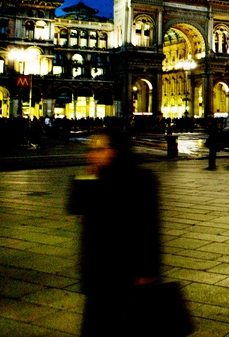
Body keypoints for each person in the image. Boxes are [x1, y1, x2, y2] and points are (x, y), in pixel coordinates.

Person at [68, 130, 162, 336]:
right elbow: (75, 206)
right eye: (90, 149)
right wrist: (88, 175)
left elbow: (149, 228)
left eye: (99, 149)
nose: (91, 154)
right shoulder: (92, 178)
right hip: (98, 273)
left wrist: (147, 271)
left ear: (115, 151)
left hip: (128, 273)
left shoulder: (141, 180)